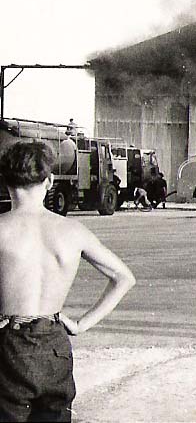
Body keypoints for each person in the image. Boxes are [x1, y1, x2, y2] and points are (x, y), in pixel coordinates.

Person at [0, 141, 136, 421]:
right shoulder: (73, 232)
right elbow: (124, 277)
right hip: (54, 345)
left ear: (5, 182)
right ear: (49, 181)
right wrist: (82, 324)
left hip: (7, 344)